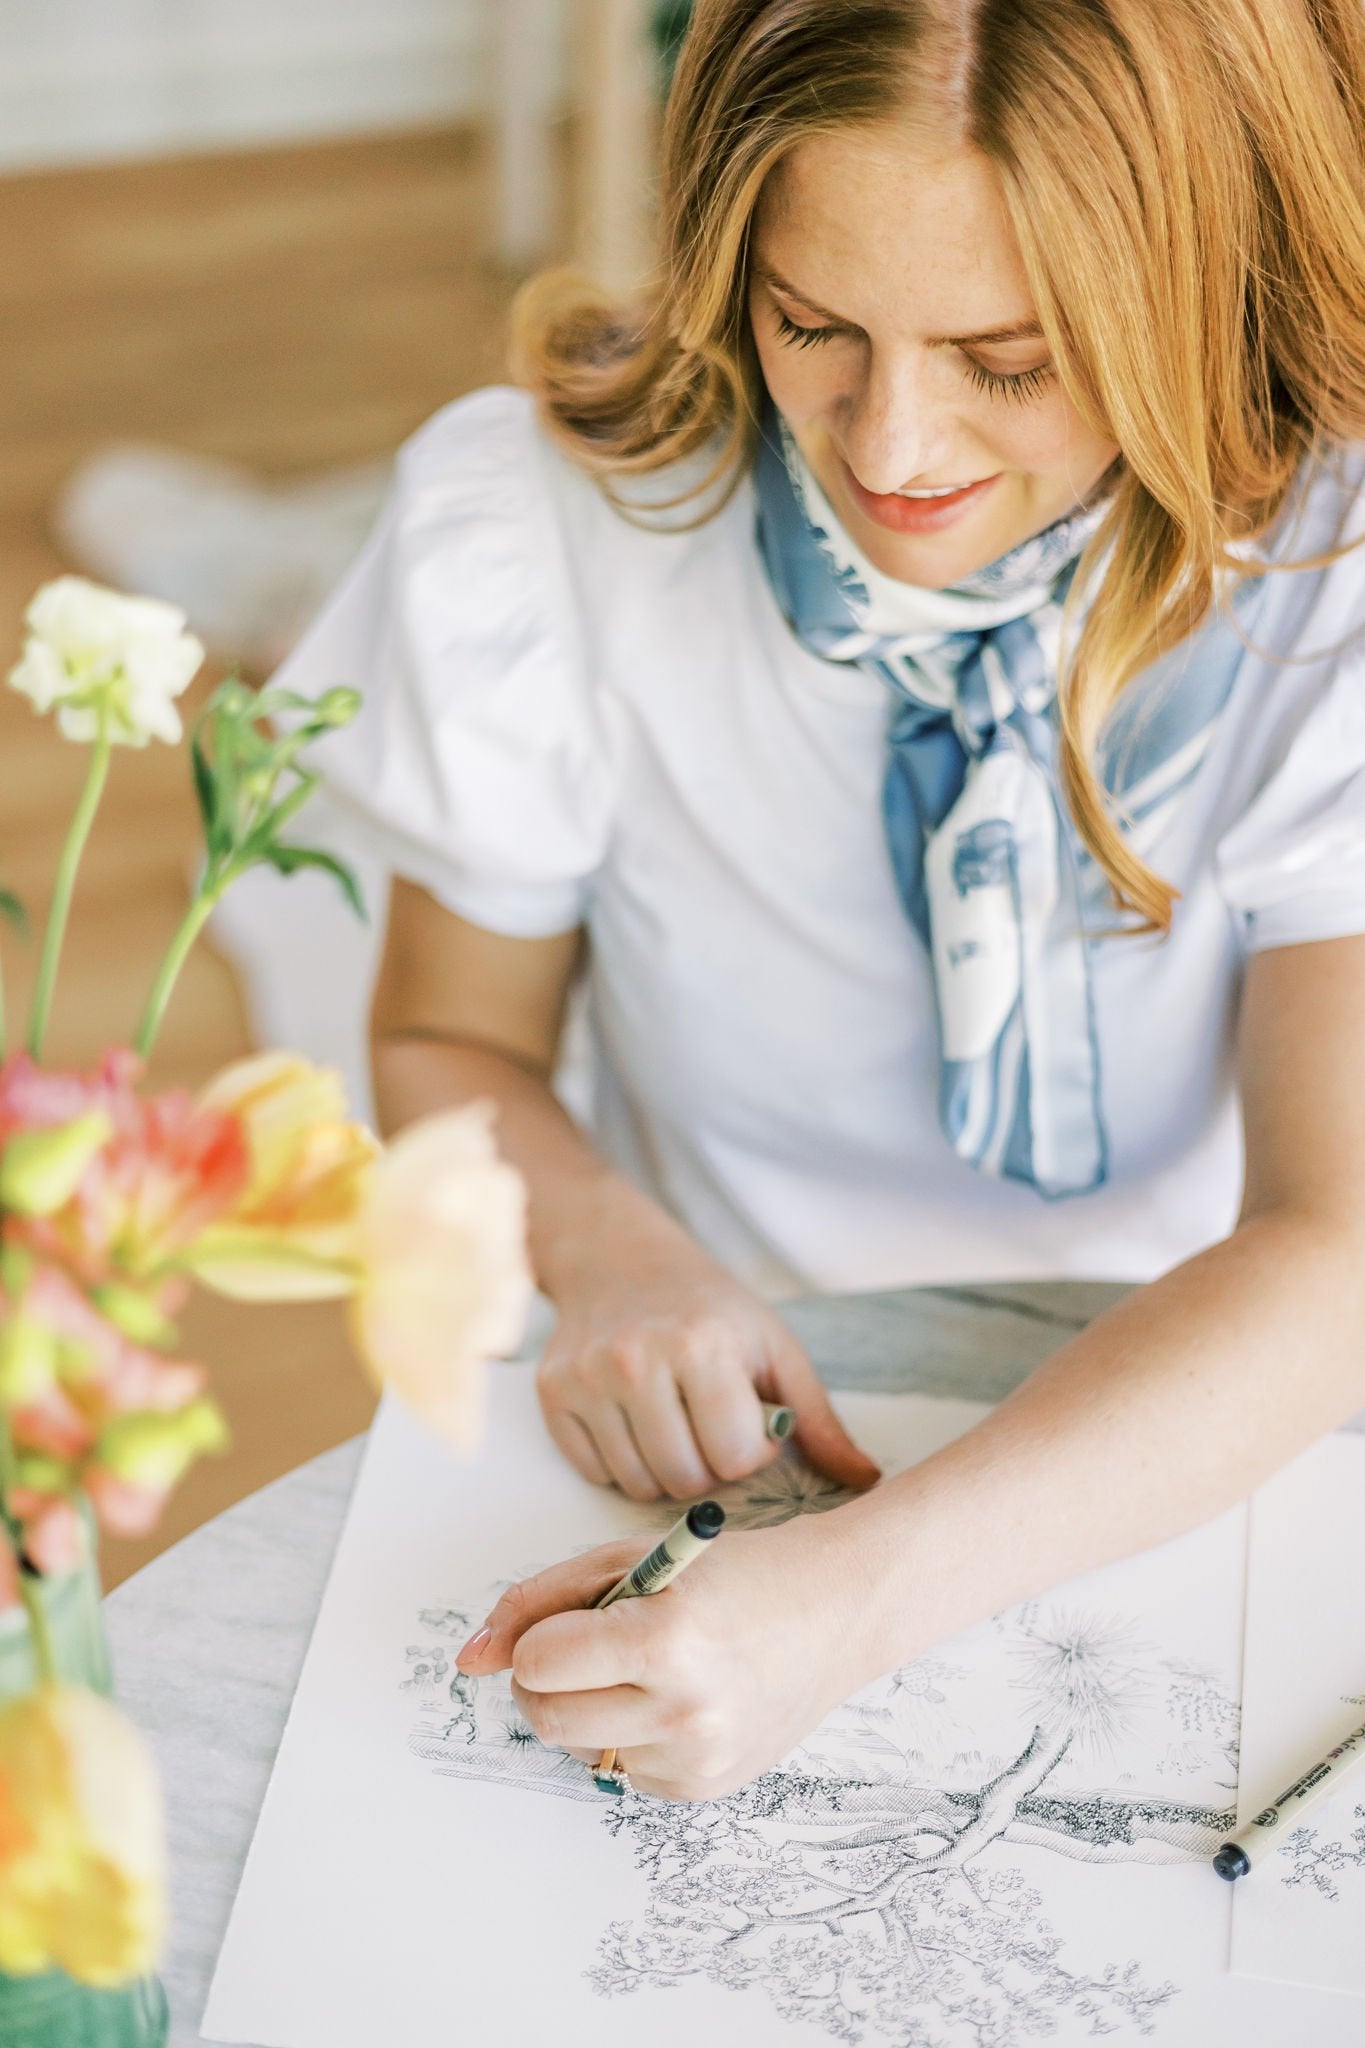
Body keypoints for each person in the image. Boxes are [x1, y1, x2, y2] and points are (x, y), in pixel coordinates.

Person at [278, 0, 1365, 1801]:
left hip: (1187, 1412)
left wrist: (852, 1605)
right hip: (705, 1395)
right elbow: (445, 1034)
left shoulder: (1328, 570)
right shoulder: (541, 525)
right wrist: (609, 1248)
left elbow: (1334, 1253)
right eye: (812, 324)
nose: (889, 443)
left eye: (1010, 360)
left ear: (1204, 289)